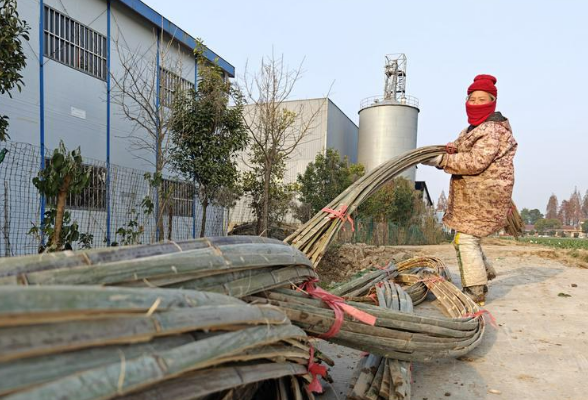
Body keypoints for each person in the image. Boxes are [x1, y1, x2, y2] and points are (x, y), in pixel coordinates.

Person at [422, 74, 517, 305]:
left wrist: (441, 160)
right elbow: (457, 147)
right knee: (466, 237)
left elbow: (475, 161)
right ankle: (485, 272)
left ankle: (476, 289)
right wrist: (441, 151)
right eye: (472, 99)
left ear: (492, 101)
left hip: (484, 195)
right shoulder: (473, 129)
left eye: (481, 99)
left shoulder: (493, 130)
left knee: (465, 239)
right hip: (473, 195)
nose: (475, 104)